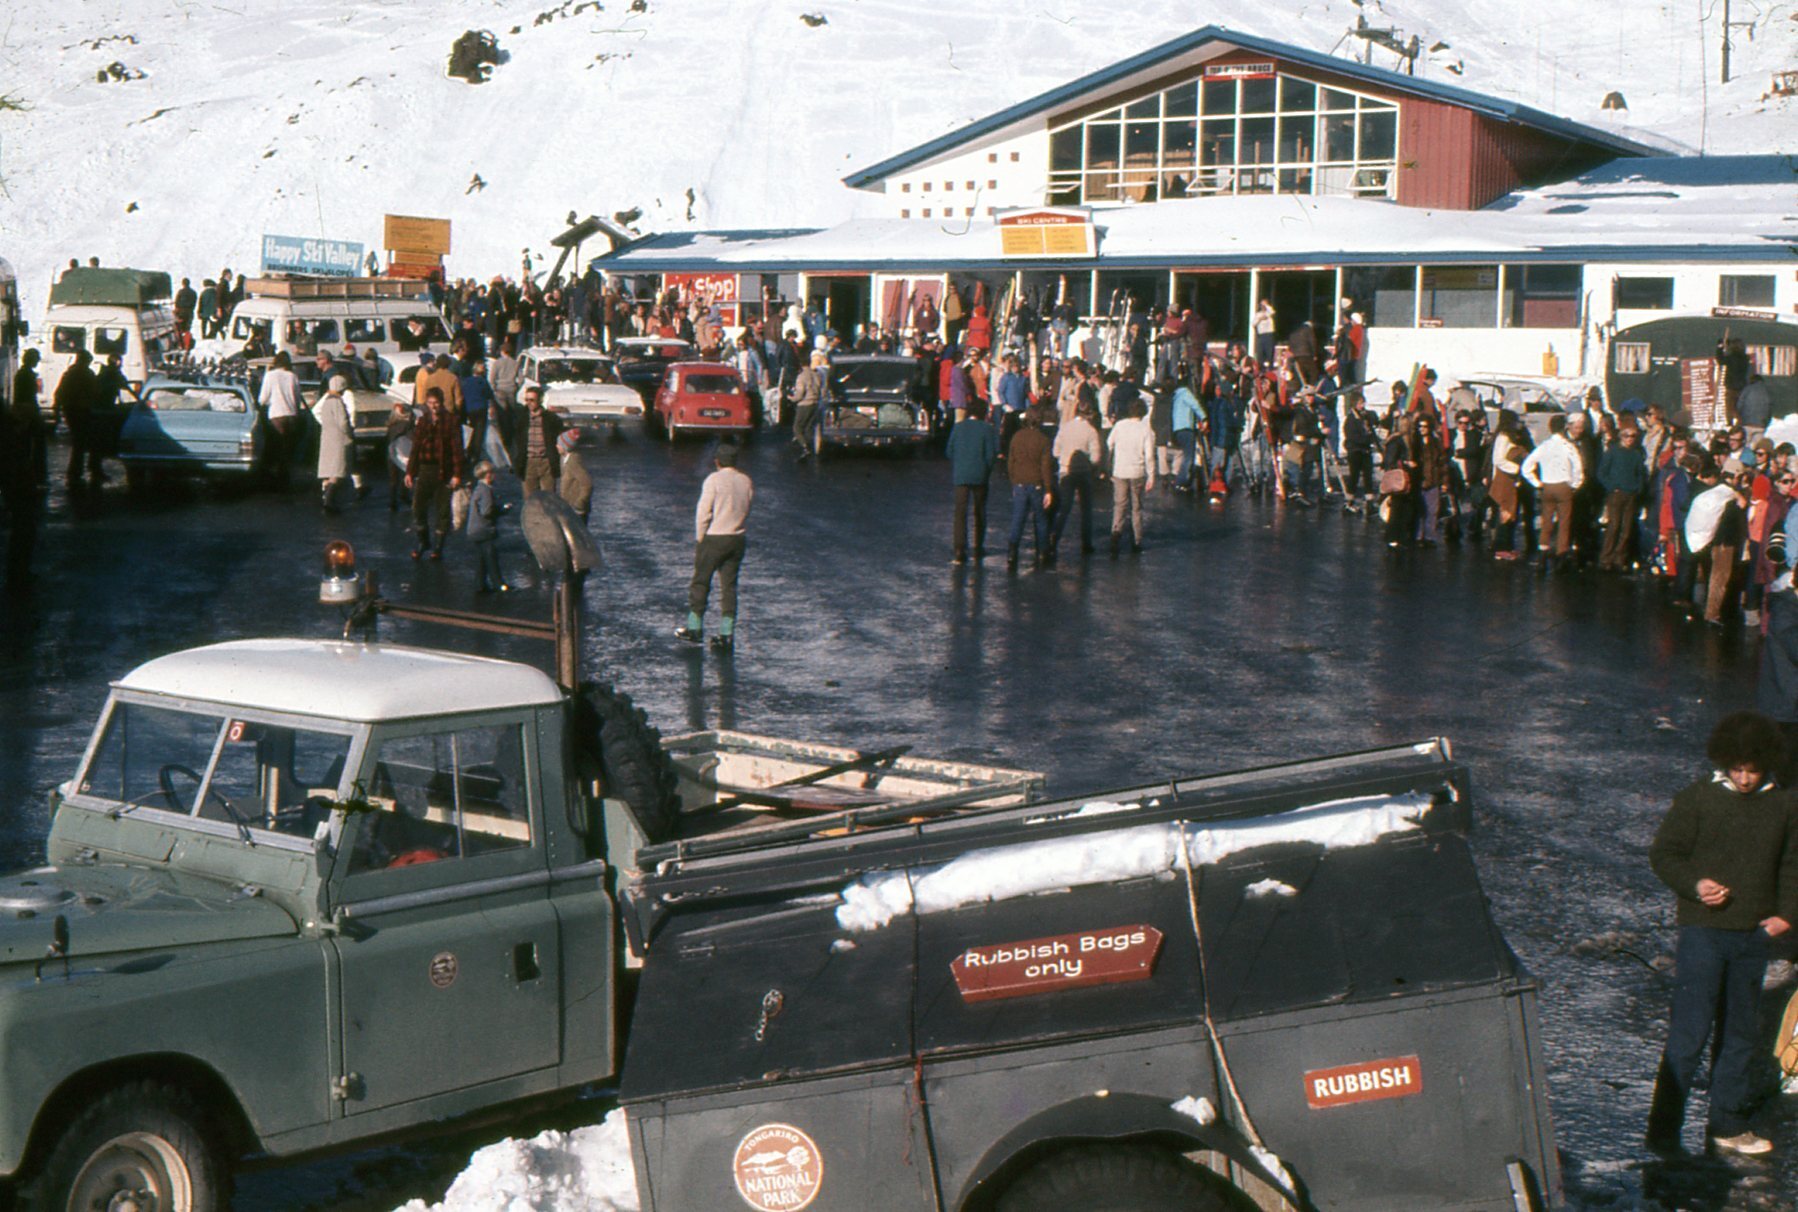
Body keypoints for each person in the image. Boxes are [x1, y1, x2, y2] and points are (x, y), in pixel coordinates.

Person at [1646, 711, 1798, 1157]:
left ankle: (1727, 1124)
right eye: (1737, 769)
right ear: (1724, 762)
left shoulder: (1785, 805)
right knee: (1689, 1035)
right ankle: (1663, 1132)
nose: (1745, 779)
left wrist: (1787, 915)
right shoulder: (1697, 799)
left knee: (1740, 1034)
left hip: (1753, 936)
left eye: (1753, 770)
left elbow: (1793, 865)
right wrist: (1695, 885)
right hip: (1703, 933)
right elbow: (1665, 854)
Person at [677, 443, 753, 654]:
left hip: (714, 537)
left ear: (717, 461)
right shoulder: (745, 480)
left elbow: (703, 512)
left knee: (701, 581)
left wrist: (701, 537)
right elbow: (747, 506)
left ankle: (694, 627)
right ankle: (726, 634)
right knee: (729, 586)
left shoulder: (713, 480)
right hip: (737, 537)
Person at [406, 386, 466, 560]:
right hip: (425, 469)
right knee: (418, 507)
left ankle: (438, 547)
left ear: (442, 403)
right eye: (430, 403)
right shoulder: (423, 421)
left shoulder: (451, 420)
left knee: (443, 510)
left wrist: (457, 474)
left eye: (436, 403)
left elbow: (457, 450)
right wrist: (410, 472)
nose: (433, 407)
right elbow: (415, 448)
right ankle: (423, 541)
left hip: (443, 470)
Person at [1519, 413, 1584, 575]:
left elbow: (1526, 467)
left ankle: (1542, 552)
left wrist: (1537, 483)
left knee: (1546, 520)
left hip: (1547, 486)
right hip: (1563, 486)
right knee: (1564, 522)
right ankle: (1561, 554)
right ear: (1565, 427)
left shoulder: (1544, 446)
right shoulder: (1568, 446)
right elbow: (1578, 468)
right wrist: (1575, 485)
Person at [947, 400, 999, 565]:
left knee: (960, 513)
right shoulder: (987, 429)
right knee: (980, 511)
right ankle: (978, 546)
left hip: (961, 475)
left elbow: (949, 451)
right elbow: (991, 455)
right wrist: (987, 470)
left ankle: (959, 549)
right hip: (980, 475)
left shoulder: (958, 427)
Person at [1049, 399, 1103, 557]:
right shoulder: (1091, 431)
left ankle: (1054, 538)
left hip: (1066, 470)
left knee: (1064, 507)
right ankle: (1086, 543)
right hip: (1084, 472)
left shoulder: (1065, 427)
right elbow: (1096, 457)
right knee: (1086, 509)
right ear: (1090, 414)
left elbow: (1055, 452)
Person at [1005, 412, 1054, 570]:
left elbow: (1011, 462)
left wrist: (1013, 481)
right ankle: (1042, 552)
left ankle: (1012, 553)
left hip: (1019, 482)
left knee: (1018, 518)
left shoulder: (1017, 437)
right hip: (1037, 483)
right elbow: (1045, 467)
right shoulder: (1043, 440)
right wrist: (1048, 489)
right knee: (1040, 519)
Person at [1597, 424, 1650, 572]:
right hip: (1616, 494)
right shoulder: (1612, 452)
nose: (1630, 439)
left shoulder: (1636, 454)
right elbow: (1601, 473)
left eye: (1633, 436)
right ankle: (1605, 558)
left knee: (1626, 529)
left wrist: (1638, 488)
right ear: (1621, 436)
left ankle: (1619, 558)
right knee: (1614, 526)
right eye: (1627, 436)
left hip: (1631, 494)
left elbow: (1640, 473)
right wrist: (1611, 487)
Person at [1107, 398, 1157, 555]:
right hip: (1137, 472)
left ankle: (1116, 532)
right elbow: (1149, 455)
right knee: (1136, 508)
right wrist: (1151, 476)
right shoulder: (1145, 429)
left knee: (1119, 505)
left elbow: (1109, 443)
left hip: (1120, 470)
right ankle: (1136, 540)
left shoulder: (1119, 425)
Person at [54, 350, 103, 489]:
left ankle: (76, 473)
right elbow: (96, 392)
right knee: (86, 442)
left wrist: (57, 410)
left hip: (70, 411)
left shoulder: (69, 374)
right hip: (83, 411)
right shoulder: (87, 374)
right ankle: (80, 473)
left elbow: (59, 393)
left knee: (78, 443)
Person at [258, 351, 304, 488]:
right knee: (287, 448)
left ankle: (276, 479)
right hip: (291, 414)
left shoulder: (270, 375)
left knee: (276, 447)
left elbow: (263, 399)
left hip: (276, 415)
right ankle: (285, 478)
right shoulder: (293, 376)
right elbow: (297, 398)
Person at [508, 385, 564, 495]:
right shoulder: (520, 418)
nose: (529, 403)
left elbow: (559, 437)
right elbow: (513, 440)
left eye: (532, 400)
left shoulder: (551, 419)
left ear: (540, 400)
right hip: (528, 462)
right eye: (526, 400)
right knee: (530, 499)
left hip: (546, 462)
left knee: (549, 498)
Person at [312, 375, 354, 514]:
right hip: (338, 439)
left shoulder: (326, 401)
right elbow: (343, 422)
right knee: (337, 471)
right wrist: (349, 433)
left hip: (327, 438)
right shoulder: (337, 402)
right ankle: (329, 502)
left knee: (329, 471)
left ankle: (327, 498)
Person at [466, 461, 509, 594]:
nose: (495, 475)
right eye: (493, 473)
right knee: (491, 557)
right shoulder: (486, 491)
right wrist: (503, 509)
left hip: (474, 530)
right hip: (483, 529)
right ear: (488, 475)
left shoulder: (478, 488)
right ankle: (499, 584)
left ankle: (480, 585)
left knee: (481, 559)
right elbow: (486, 511)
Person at [790, 350, 826, 459]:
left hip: (804, 404)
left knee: (797, 427)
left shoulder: (801, 376)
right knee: (809, 428)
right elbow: (822, 389)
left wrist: (791, 398)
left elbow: (800, 394)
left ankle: (805, 447)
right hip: (815, 403)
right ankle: (811, 446)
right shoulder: (816, 375)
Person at [384, 397, 413, 512]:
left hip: (391, 454)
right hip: (404, 455)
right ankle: (404, 495)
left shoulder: (391, 426)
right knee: (405, 475)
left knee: (393, 479)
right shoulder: (408, 426)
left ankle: (392, 501)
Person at [557, 429, 592, 522]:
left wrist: (580, 503)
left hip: (576, 511)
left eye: (559, 444)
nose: (556, 446)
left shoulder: (573, 461)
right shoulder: (564, 458)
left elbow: (587, 484)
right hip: (568, 507)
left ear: (565, 447)